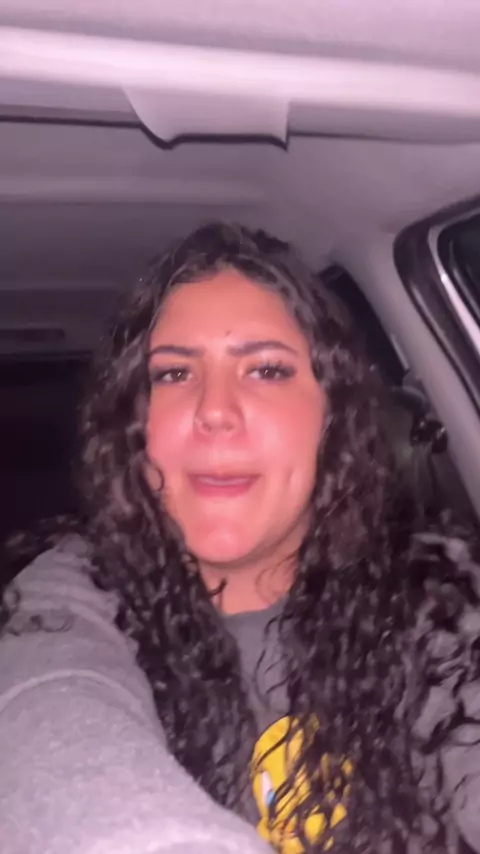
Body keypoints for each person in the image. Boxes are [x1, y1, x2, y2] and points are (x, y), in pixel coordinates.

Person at [1, 222, 480, 854]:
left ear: (332, 417)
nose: (215, 410)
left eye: (267, 369)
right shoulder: (71, 591)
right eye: (174, 374)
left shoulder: (438, 594)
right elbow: (46, 709)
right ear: (133, 428)